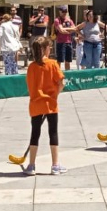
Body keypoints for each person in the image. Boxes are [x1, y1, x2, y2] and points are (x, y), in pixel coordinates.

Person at [25, 36, 66, 175]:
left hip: (36, 103)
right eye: (49, 47)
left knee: (34, 133)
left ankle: (31, 165)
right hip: (50, 103)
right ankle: (55, 165)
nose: (50, 49)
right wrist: (56, 94)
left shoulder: (31, 67)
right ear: (45, 49)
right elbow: (62, 83)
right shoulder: (53, 64)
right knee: (52, 132)